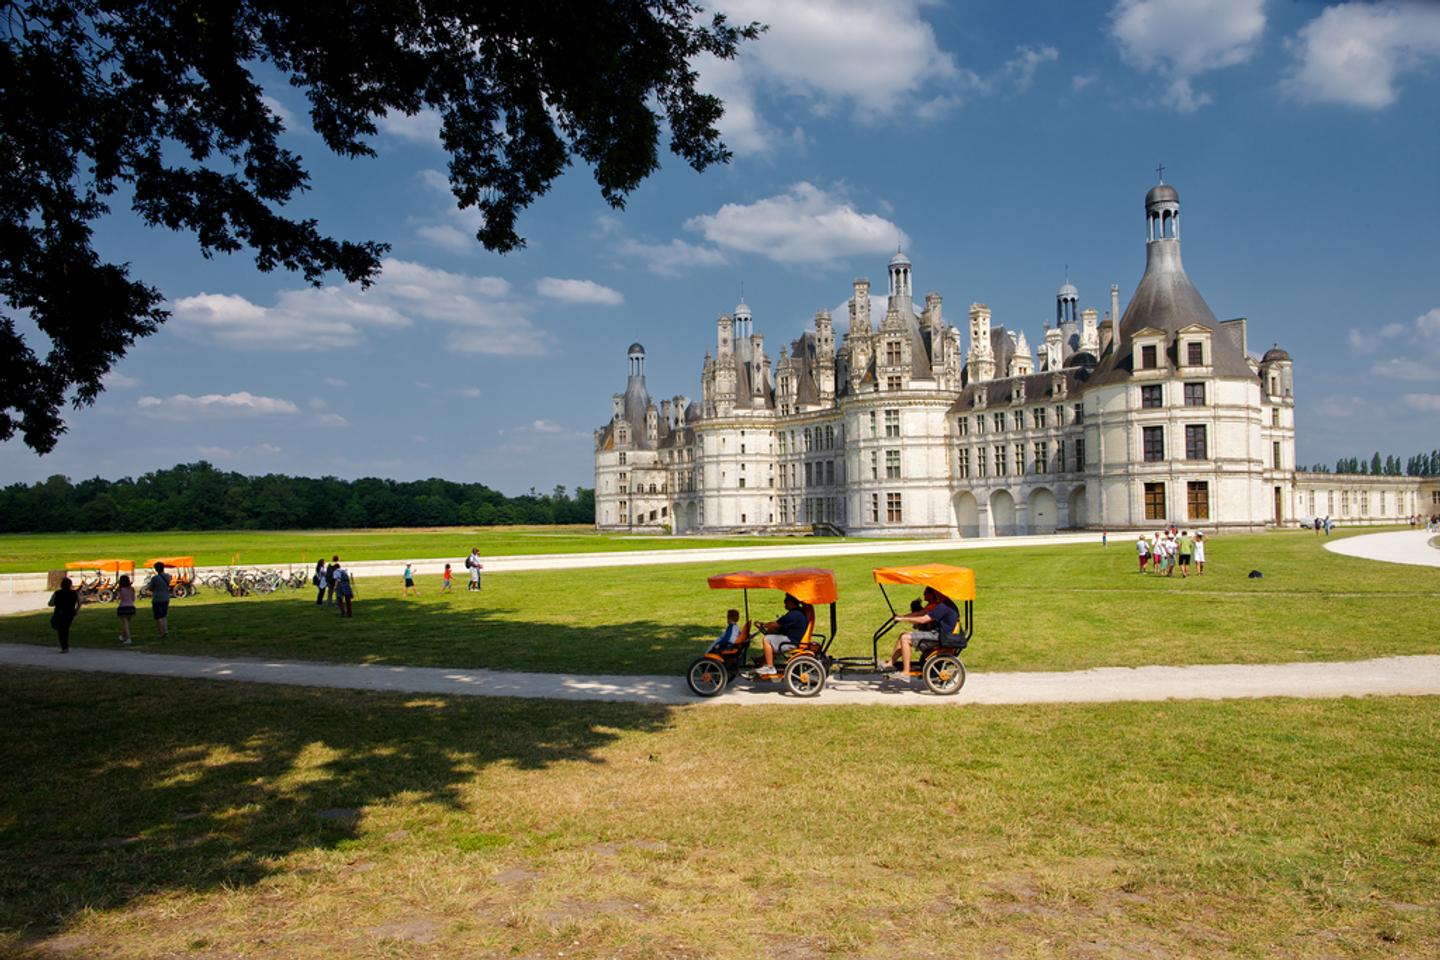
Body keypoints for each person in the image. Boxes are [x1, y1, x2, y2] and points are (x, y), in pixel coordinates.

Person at [891, 586, 959, 677]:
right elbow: (921, 613)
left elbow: (923, 619)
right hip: (939, 634)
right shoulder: (946, 604)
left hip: (939, 636)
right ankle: (891, 663)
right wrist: (902, 617)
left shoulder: (943, 607)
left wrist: (903, 618)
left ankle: (906, 672)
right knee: (903, 635)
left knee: (905, 638)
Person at [754, 594, 809, 678]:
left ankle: (770, 668)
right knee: (772, 638)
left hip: (791, 642)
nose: (784, 604)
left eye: (786, 602)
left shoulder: (793, 615)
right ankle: (762, 661)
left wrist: (763, 624)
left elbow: (775, 624)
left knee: (767, 639)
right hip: (792, 639)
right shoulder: (798, 612)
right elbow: (780, 626)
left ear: (791, 602)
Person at [48, 576, 81, 653]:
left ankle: (64, 647)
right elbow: (79, 602)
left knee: (60, 629)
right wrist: (76, 610)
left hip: (60, 613)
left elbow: (51, 603)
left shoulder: (57, 593)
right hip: (70, 613)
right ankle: (65, 647)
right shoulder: (74, 593)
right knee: (65, 629)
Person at [148, 561, 171, 638]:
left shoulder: (155, 578)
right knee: (164, 615)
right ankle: (165, 630)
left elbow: (151, 588)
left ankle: (161, 633)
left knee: (158, 616)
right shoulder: (168, 576)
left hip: (157, 598)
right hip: (166, 597)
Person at [115, 574, 136, 645]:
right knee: (126, 623)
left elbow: (119, 598)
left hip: (123, 607)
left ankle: (128, 638)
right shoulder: (132, 589)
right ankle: (122, 636)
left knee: (125, 623)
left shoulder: (120, 589)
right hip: (131, 607)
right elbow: (133, 599)